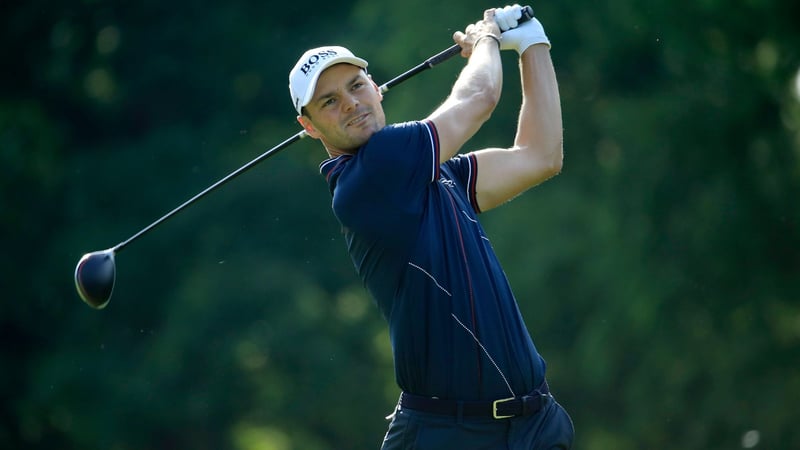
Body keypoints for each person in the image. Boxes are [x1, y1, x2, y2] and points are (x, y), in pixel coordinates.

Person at [288, 4, 573, 449]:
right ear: (308, 125)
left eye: (356, 86)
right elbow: (478, 100)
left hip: (533, 426)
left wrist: (533, 44)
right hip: (450, 435)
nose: (351, 104)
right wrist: (486, 40)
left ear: (377, 89)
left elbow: (541, 155)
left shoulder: (438, 174)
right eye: (329, 101)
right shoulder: (372, 174)